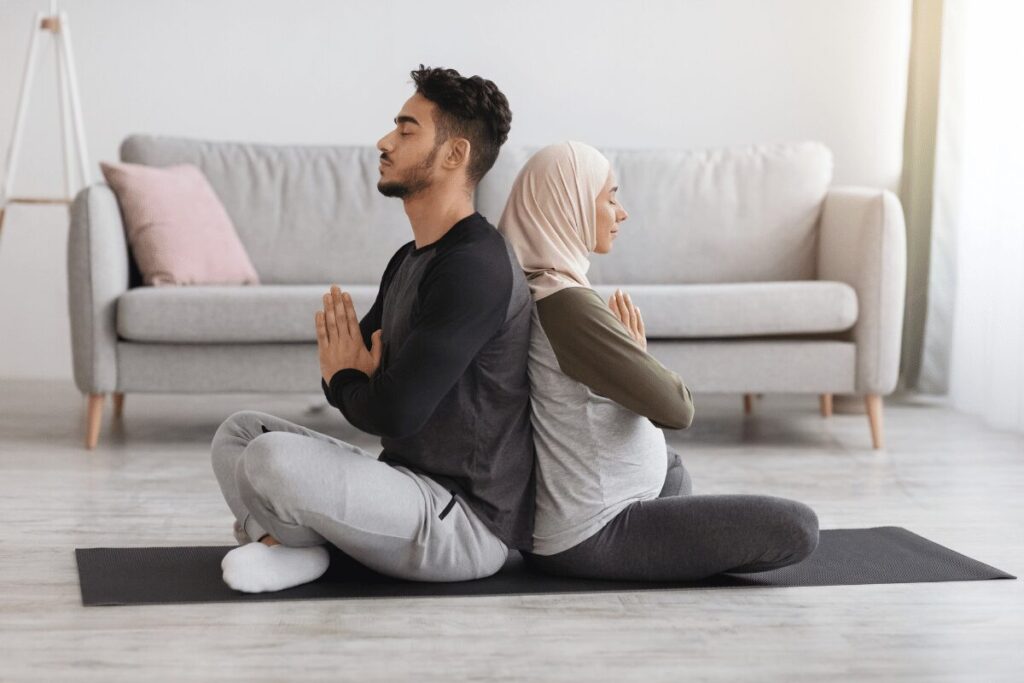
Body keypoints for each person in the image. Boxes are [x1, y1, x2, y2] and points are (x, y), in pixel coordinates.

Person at [210, 66, 536, 593]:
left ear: (454, 155)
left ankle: (291, 546)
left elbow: (390, 410)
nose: (386, 142)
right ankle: (286, 548)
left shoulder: (476, 266)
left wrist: (349, 380)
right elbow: (345, 372)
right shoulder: (410, 258)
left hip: (463, 522)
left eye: (407, 131)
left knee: (271, 457)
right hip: (402, 486)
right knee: (241, 432)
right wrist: (350, 379)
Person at [497, 141, 820, 581]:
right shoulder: (567, 303)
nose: (621, 211)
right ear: (567, 203)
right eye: (609, 196)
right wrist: (638, 357)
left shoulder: (536, 286)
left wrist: (627, 361)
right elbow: (676, 407)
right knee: (797, 527)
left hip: (581, 519)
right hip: (595, 532)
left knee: (671, 470)